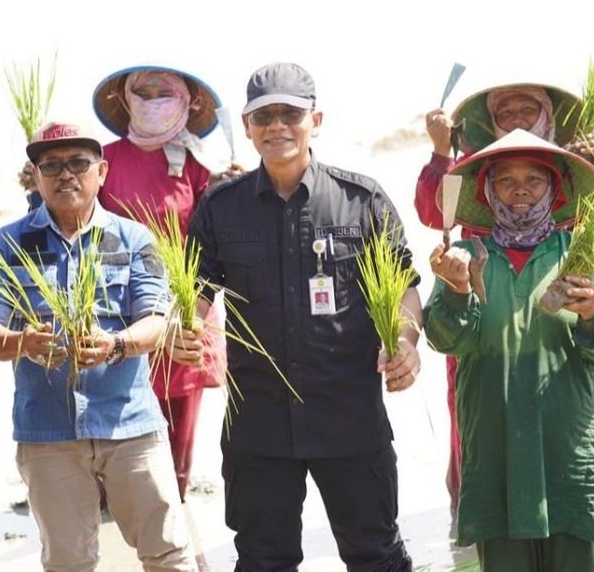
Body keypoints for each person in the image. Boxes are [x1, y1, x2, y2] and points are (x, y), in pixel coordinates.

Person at [175, 62, 421, 571]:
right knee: (264, 559)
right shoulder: (220, 208)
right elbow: (193, 298)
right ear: (246, 126)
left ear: (317, 119)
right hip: (258, 425)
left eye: (291, 113)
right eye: (264, 116)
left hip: (349, 417)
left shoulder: (362, 200)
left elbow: (406, 293)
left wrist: (406, 341)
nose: (277, 126)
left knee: (376, 554)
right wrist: (183, 332)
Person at [0, 122, 195, 571]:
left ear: (101, 172)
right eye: (51, 165)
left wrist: (116, 345)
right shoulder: (8, 243)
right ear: (35, 176)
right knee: (67, 561)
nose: (66, 175)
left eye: (79, 163)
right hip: (48, 431)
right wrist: (24, 342)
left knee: (169, 553)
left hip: (130, 424)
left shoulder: (137, 239)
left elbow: (155, 321)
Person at [423, 129, 594, 571]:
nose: (519, 190)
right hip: (495, 460)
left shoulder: (583, 252)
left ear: (555, 190)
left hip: (568, 460)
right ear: (487, 190)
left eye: (534, 180)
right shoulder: (463, 256)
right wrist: (458, 290)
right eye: (505, 180)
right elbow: (445, 338)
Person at [413, 82, 594, 522]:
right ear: (491, 122)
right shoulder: (471, 169)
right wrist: (442, 152)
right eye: (506, 112)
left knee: (561, 436)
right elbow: (433, 214)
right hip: (480, 311)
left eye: (529, 108)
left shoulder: (573, 166)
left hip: (555, 320)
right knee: (475, 432)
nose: (518, 118)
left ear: (548, 116)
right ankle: (470, 520)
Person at [92, 64, 242, 502]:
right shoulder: (103, 161)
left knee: (178, 428)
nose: (154, 99)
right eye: (144, 91)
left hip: (184, 308)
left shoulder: (198, 165)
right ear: (124, 99)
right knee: (115, 420)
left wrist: (230, 190)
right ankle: (112, 511)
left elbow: (212, 240)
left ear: (187, 101)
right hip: (117, 309)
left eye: (165, 92)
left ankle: (172, 509)